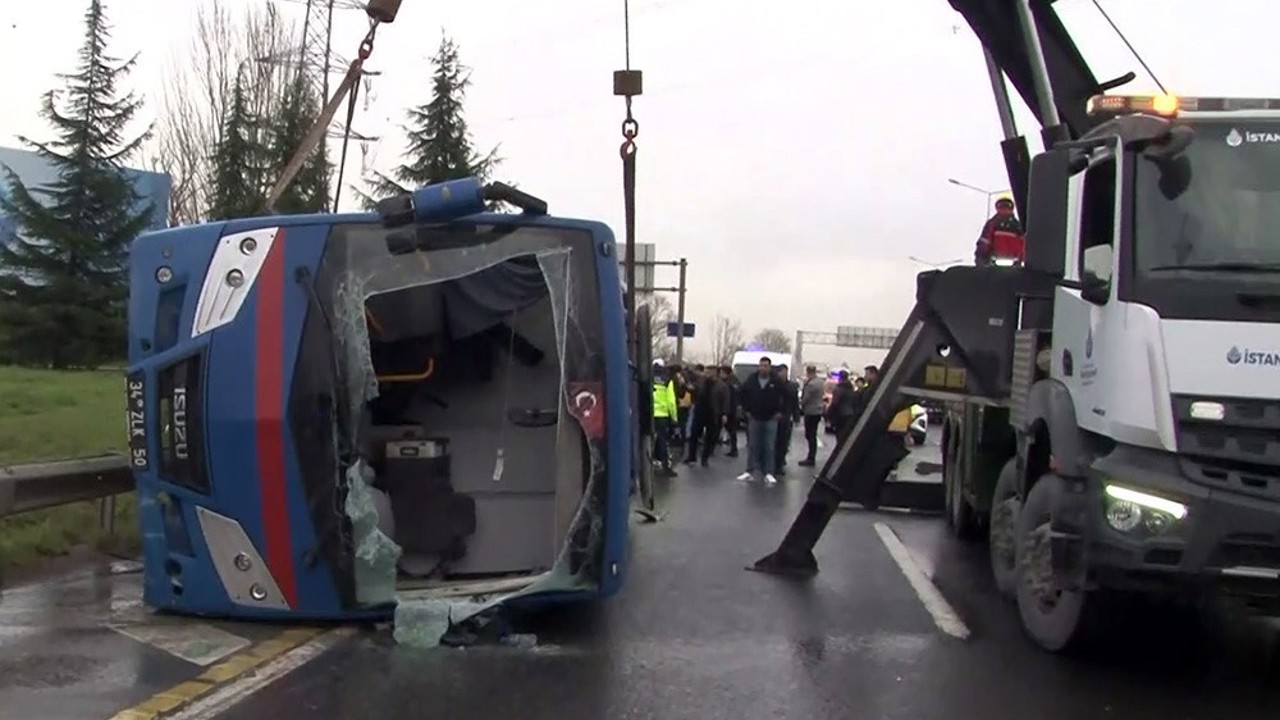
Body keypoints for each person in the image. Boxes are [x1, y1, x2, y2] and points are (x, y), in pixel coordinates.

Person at [736, 356, 785, 485]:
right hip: (754, 417)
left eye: (765, 366)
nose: (763, 368)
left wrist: (780, 412)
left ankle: (769, 472)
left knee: (769, 446)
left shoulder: (776, 381)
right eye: (761, 365)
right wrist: (746, 410)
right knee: (752, 445)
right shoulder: (751, 380)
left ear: (769, 367)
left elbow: (785, 397)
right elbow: (742, 394)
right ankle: (750, 471)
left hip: (771, 418)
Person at [686, 366, 730, 466]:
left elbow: (725, 400)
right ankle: (691, 457)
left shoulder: (721, 385)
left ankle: (705, 458)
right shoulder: (701, 382)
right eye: (706, 372)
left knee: (710, 437)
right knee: (694, 434)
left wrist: (724, 413)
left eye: (709, 372)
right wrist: (690, 389)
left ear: (715, 373)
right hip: (700, 411)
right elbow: (694, 391)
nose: (707, 374)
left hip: (713, 412)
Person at [974, 195, 1025, 266]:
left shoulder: (992, 223)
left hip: (997, 263)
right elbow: (1024, 244)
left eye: (1006, 206)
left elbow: (984, 242)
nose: (1005, 209)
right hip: (1011, 264)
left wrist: (980, 258)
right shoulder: (1017, 225)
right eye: (1003, 206)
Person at [651, 361, 678, 477]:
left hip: (649, 414)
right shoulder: (667, 380)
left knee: (647, 440)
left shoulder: (648, 377)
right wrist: (674, 418)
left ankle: (645, 466)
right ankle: (666, 467)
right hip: (662, 415)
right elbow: (671, 401)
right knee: (663, 442)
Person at [773, 363, 800, 476]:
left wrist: (796, 417)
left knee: (783, 442)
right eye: (781, 372)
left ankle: (779, 463)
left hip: (786, 418)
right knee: (773, 442)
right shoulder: (773, 385)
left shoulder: (792, 387)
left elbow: (795, 403)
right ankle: (772, 463)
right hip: (773, 417)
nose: (783, 374)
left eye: (785, 372)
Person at [798, 365, 826, 467]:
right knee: (812, 434)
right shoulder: (820, 382)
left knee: (810, 435)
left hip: (810, 411)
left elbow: (806, 398)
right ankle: (811, 456)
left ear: (808, 372)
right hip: (818, 411)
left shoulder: (811, 384)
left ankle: (811, 458)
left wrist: (801, 405)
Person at [825, 369, 858, 441]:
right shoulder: (851, 388)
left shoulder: (839, 389)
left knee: (839, 435)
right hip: (850, 415)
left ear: (840, 378)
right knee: (845, 436)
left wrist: (828, 414)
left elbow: (835, 403)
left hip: (840, 415)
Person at [720, 365, 740, 457]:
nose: (720, 375)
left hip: (730, 409)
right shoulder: (734, 381)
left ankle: (734, 450)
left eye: (722, 373)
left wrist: (726, 412)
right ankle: (733, 449)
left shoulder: (729, 383)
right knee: (731, 430)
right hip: (732, 409)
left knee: (731, 429)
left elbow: (729, 398)